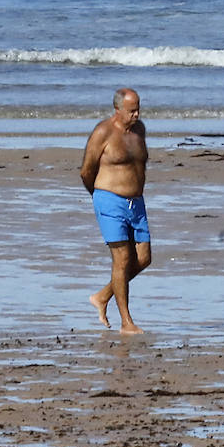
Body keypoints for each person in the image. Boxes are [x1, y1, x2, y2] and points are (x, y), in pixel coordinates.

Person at [79, 87, 151, 334]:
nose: (136, 114)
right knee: (122, 260)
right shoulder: (103, 132)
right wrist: (100, 197)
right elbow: (86, 171)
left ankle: (102, 296)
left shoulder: (140, 130)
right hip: (110, 200)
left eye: (138, 109)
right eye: (131, 111)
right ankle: (126, 323)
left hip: (136, 204)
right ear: (117, 109)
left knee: (143, 258)